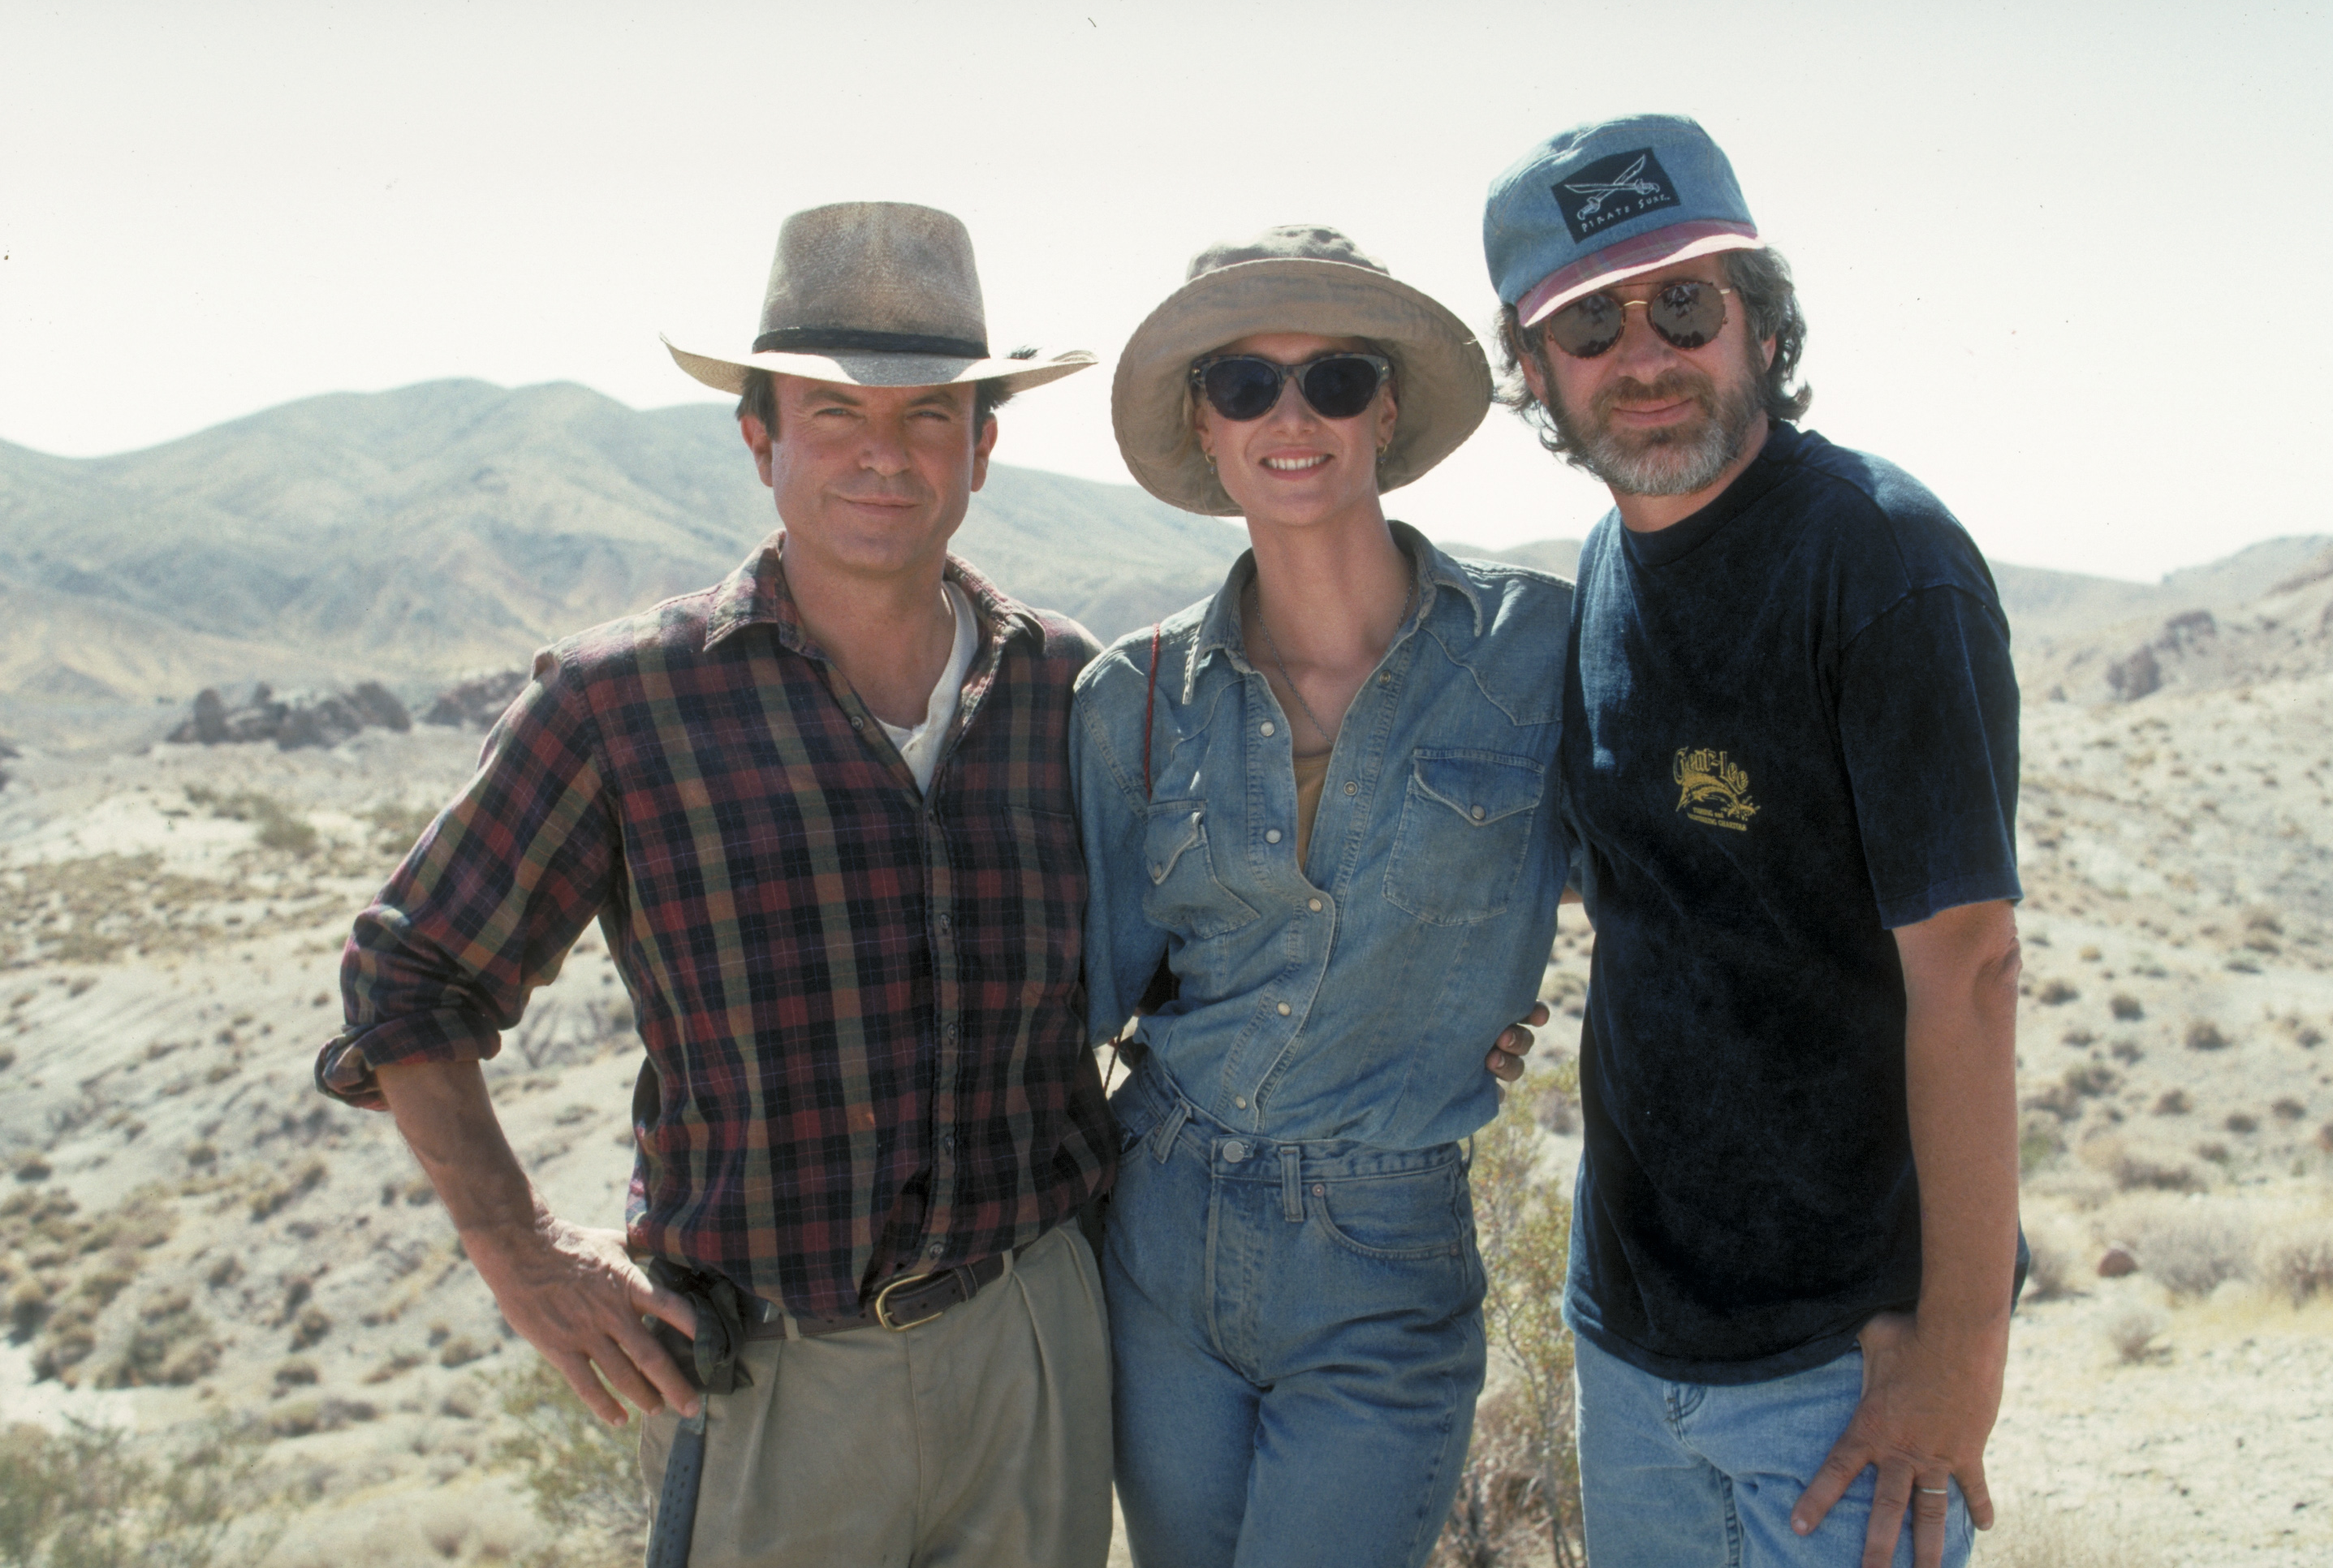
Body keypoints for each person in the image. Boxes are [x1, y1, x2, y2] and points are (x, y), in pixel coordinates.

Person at [313, 201, 1123, 1568]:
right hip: (768, 1383)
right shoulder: (624, 700)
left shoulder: (1067, 685)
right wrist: (524, 1255)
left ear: (984, 447)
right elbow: (410, 978)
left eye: (930, 415)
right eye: (832, 413)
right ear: (760, 440)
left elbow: (1203, 951)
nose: (885, 452)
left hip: (1033, 1341)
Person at [1480, 115, 2026, 1568]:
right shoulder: (1607, 563)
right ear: (1531, 373)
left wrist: (1963, 1345)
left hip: (1840, 1368)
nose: (1644, 353)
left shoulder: (1880, 562)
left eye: (1685, 303)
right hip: (1631, 1336)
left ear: (1760, 321)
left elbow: (1969, 972)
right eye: (1588, 323)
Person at [1072, 226, 1576, 1568]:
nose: (1291, 416)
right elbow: (1080, 996)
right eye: (1244, 383)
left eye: (1334, 379)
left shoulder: (1539, 651)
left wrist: (1494, 1005)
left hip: (1384, 1247)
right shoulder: (1128, 700)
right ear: (1205, 424)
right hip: (1160, 1223)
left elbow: (1679, 895)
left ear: (1387, 407)